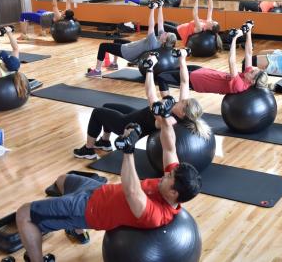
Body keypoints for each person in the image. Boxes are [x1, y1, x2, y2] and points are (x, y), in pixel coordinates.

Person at [16, 102, 202, 262]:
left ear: (173, 193)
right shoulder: (172, 185)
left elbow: (132, 191)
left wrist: (128, 152)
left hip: (88, 210)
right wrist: (164, 117)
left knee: (24, 214)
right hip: (99, 190)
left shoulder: (157, 214)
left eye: (168, 178)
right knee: (62, 180)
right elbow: (169, 148)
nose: (164, 175)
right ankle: (76, 231)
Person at [75, 51, 210, 159]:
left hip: (127, 125)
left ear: (184, 112)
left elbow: (150, 94)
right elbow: (184, 82)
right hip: (136, 115)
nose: (183, 99)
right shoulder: (181, 109)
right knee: (106, 106)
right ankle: (104, 142)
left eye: (185, 102)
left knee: (98, 113)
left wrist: (150, 69)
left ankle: (88, 149)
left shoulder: (169, 120)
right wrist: (182, 59)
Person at [157, 21, 270, 95]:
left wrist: (234, 39)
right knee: (167, 71)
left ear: (252, 81)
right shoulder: (249, 75)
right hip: (201, 70)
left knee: (161, 77)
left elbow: (232, 62)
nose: (252, 69)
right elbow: (249, 53)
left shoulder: (239, 86)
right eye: (255, 69)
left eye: (253, 72)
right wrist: (249, 31)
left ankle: (168, 103)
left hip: (195, 80)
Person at [85, 0, 177, 77]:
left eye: (166, 34)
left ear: (165, 40)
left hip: (128, 52)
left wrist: (152, 9)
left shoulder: (153, 42)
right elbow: (160, 22)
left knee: (103, 46)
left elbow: (151, 26)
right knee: (116, 40)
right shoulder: (161, 39)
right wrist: (160, 7)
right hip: (132, 46)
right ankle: (114, 64)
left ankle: (97, 71)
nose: (164, 32)